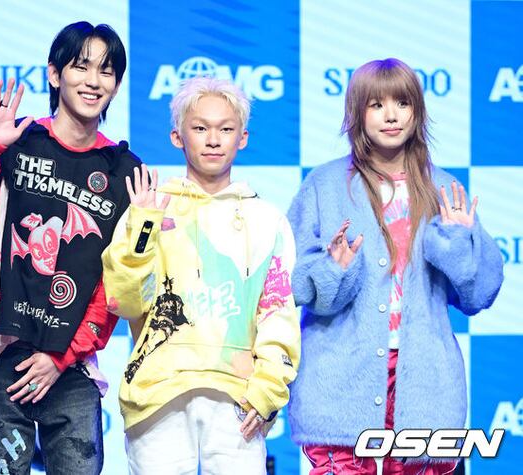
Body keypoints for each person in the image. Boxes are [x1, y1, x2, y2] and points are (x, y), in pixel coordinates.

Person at [0, 21, 140, 474]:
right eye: (81, 66)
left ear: (116, 84)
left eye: (106, 71)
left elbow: (116, 285)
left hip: (71, 367)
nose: (93, 81)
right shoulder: (17, 143)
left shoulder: (124, 172)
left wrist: (60, 356)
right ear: (54, 74)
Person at [287, 58, 503, 474]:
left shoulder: (444, 187)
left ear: (417, 111)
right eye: (377, 104)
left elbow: (479, 295)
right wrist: (334, 269)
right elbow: (294, 284)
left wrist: (459, 243)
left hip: (424, 384)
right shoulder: (323, 185)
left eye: (402, 103)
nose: (391, 115)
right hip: (340, 381)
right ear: (357, 112)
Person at [101, 76, 301, 474]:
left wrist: (268, 389)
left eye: (225, 129)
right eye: (200, 128)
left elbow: (277, 312)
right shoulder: (150, 208)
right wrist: (143, 224)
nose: (213, 140)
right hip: (157, 394)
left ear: (242, 138)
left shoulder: (267, 219)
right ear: (177, 137)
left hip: (237, 396)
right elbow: (124, 302)